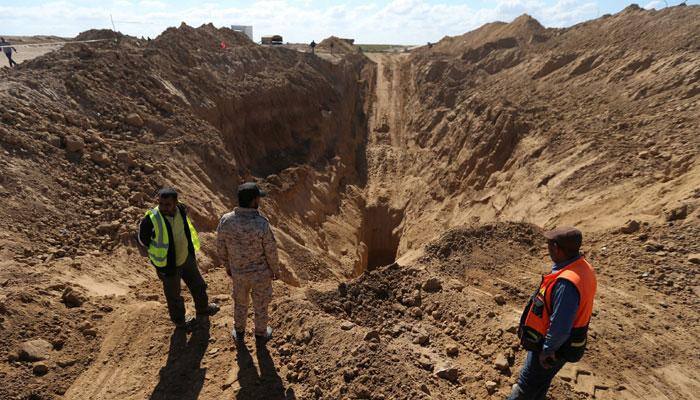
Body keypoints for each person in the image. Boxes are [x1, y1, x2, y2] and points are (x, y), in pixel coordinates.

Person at [509, 226, 597, 400]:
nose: (547, 249)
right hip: (568, 343)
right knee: (540, 383)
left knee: (526, 387)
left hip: (553, 347)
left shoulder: (566, 284)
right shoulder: (583, 268)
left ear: (557, 248)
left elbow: (560, 325)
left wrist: (547, 351)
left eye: (549, 245)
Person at [137, 188, 219, 330]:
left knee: (198, 285)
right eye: (161, 204)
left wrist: (190, 252)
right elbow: (143, 240)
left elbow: (186, 230)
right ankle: (180, 322)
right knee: (174, 296)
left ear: (175, 202)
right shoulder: (152, 219)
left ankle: (203, 308)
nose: (163, 207)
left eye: (167, 204)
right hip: (167, 265)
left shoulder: (181, 209)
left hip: (185, 257)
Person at [216, 182, 282, 346]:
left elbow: (220, 246)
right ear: (253, 201)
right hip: (260, 275)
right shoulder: (261, 223)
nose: (259, 201)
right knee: (261, 305)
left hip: (238, 273)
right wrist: (275, 270)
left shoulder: (226, 220)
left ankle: (239, 333)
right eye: (258, 198)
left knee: (240, 302)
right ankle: (260, 334)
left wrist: (227, 266)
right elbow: (271, 250)